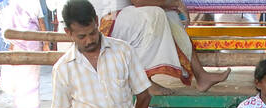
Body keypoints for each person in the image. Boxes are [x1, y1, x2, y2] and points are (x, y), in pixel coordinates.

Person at [92, 0, 228, 90]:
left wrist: (172, 5)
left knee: (169, 15)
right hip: (106, 23)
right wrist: (175, 3)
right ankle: (143, 81)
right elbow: (139, 1)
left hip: (121, 18)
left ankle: (201, 76)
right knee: (155, 14)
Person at [0, 0, 43, 108]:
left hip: (26, 44)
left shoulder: (15, 4)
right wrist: (46, 43)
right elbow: (41, 23)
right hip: (31, 44)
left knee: (25, 77)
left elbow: (40, 22)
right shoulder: (28, 3)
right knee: (29, 77)